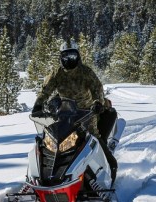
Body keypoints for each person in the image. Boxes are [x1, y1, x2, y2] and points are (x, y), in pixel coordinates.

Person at [32, 47, 118, 182]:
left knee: (93, 139)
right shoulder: (57, 73)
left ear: (78, 57)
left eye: (72, 56)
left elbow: (97, 88)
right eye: (66, 57)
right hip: (65, 112)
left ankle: (110, 166)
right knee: (56, 141)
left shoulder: (85, 72)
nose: (69, 60)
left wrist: (98, 103)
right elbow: (45, 90)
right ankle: (53, 173)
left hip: (87, 112)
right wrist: (38, 103)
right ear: (61, 58)